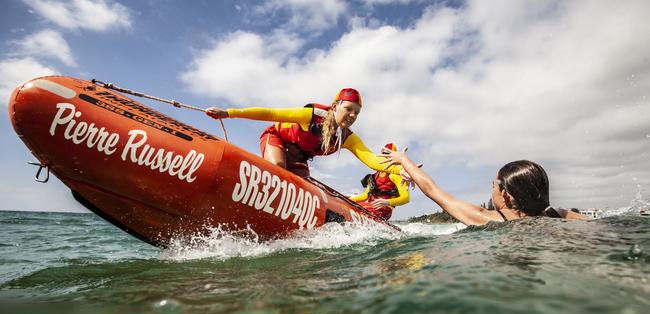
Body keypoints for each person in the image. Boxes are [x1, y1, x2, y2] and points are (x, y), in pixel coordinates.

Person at [205, 88, 402, 178]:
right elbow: (271, 113)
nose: (352, 115)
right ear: (335, 106)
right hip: (276, 137)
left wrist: (401, 169)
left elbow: (371, 160)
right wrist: (229, 113)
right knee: (279, 170)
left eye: (356, 113)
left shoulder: (348, 138)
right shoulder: (311, 115)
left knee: (301, 182)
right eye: (348, 109)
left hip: (298, 154)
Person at [378, 149, 589, 225]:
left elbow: (433, 191)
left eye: (493, 188)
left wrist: (403, 160)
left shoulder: (489, 218)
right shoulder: (558, 215)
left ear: (505, 195)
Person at [349, 143, 410, 220]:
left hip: (384, 210)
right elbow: (365, 196)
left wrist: (387, 202)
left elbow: (406, 198)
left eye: (388, 154)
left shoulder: (396, 175)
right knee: (349, 204)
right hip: (369, 205)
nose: (385, 157)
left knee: (353, 207)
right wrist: (348, 199)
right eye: (383, 154)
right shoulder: (373, 177)